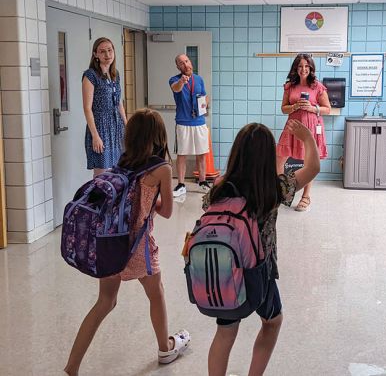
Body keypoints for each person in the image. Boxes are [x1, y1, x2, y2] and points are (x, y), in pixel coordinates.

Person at [64, 109, 190, 376]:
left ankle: (71, 367)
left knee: (105, 302)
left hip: (109, 241)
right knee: (156, 293)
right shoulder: (161, 168)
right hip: (137, 246)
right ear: (158, 136)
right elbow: (167, 211)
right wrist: (151, 203)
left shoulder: (122, 162)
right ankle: (165, 347)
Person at [205, 120, 320, 376]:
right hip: (259, 271)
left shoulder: (220, 186)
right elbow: (313, 168)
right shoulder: (273, 188)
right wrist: (307, 138)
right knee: (272, 322)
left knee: (225, 333)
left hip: (225, 272)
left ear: (237, 152)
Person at [276, 53, 331, 211]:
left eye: (307, 66)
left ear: (311, 68)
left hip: (311, 127)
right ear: (295, 68)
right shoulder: (289, 86)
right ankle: (280, 191)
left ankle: (306, 197)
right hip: (292, 125)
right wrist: (294, 107)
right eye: (300, 66)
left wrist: (313, 108)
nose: (303, 69)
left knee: (309, 161)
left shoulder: (317, 86)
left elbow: (327, 109)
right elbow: (283, 108)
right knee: (279, 157)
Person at [82, 37, 127, 178]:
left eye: (110, 50)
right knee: (101, 173)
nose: (107, 55)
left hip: (116, 126)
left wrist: (127, 124)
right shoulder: (90, 75)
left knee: (117, 170)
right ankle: (99, 200)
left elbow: (118, 102)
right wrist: (95, 136)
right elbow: (87, 108)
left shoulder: (115, 74)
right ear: (95, 54)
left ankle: (114, 200)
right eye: (102, 52)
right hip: (100, 126)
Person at [169, 54, 210, 197]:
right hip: (183, 122)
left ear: (190, 62)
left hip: (199, 121)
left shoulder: (199, 79)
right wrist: (182, 81)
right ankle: (180, 184)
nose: (185, 64)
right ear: (178, 67)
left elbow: (204, 97)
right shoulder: (175, 80)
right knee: (182, 154)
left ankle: (203, 181)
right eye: (181, 63)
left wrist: (206, 104)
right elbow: (176, 88)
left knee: (202, 154)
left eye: (186, 61)